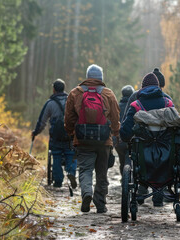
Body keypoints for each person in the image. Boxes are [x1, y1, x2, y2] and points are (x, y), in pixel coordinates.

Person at [120, 73, 180, 207]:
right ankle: (162, 197)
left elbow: (125, 133)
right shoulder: (168, 103)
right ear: (158, 87)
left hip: (144, 162)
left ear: (142, 88)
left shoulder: (136, 105)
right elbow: (178, 126)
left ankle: (140, 195)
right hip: (166, 160)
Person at [64, 64, 120, 213]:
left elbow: (69, 118)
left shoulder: (75, 93)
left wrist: (71, 133)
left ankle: (87, 193)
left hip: (82, 139)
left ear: (87, 76)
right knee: (102, 173)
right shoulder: (108, 94)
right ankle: (100, 204)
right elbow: (115, 117)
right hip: (104, 140)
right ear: (101, 78)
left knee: (85, 170)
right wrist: (116, 133)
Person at [32, 79, 77, 189]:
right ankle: (71, 172)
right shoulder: (71, 101)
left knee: (56, 157)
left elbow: (42, 121)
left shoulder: (50, 103)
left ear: (54, 89)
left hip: (56, 137)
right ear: (64, 88)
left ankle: (58, 181)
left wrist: (36, 132)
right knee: (71, 155)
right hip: (70, 135)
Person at [114, 85, 134, 175]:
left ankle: (124, 178)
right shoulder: (134, 107)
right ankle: (130, 176)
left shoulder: (117, 107)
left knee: (122, 161)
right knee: (131, 159)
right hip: (132, 138)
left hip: (119, 140)